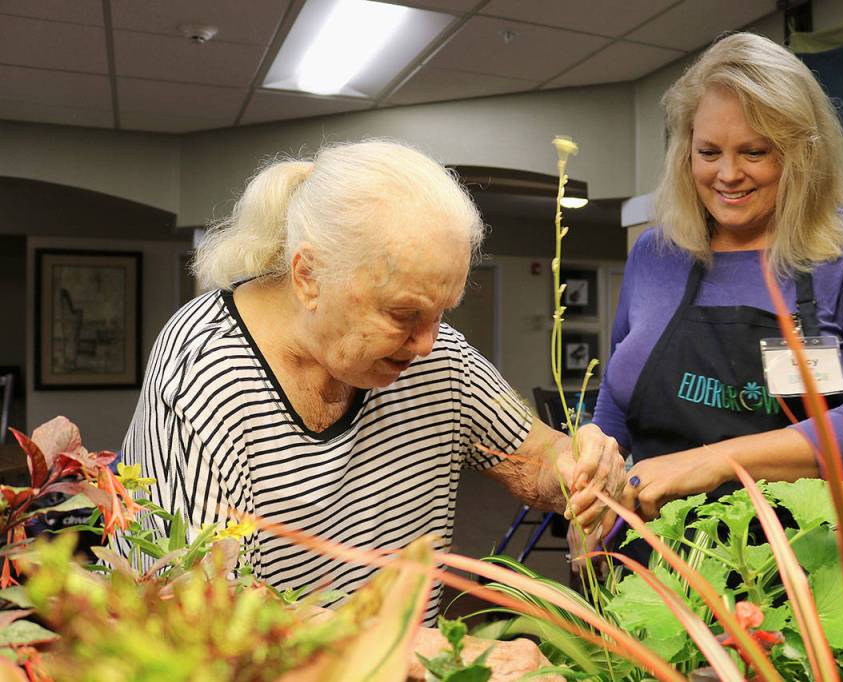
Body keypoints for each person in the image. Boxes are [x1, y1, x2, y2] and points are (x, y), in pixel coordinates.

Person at [121, 140, 624, 624]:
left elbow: (533, 461)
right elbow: (190, 606)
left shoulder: (435, 356)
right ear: (308, 277)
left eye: (441, 313)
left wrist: (579, 465)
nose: (428, 343)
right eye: (404, 314)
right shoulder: (205, 371)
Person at [593, 33, 843, 610]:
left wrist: (711, 462)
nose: (727, 174)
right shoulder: (656, 255)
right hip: (683, 565)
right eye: (708, 152)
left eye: (755, 152)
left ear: (803, 152)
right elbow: (617, 400)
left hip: (836, 571)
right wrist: (595, 448)